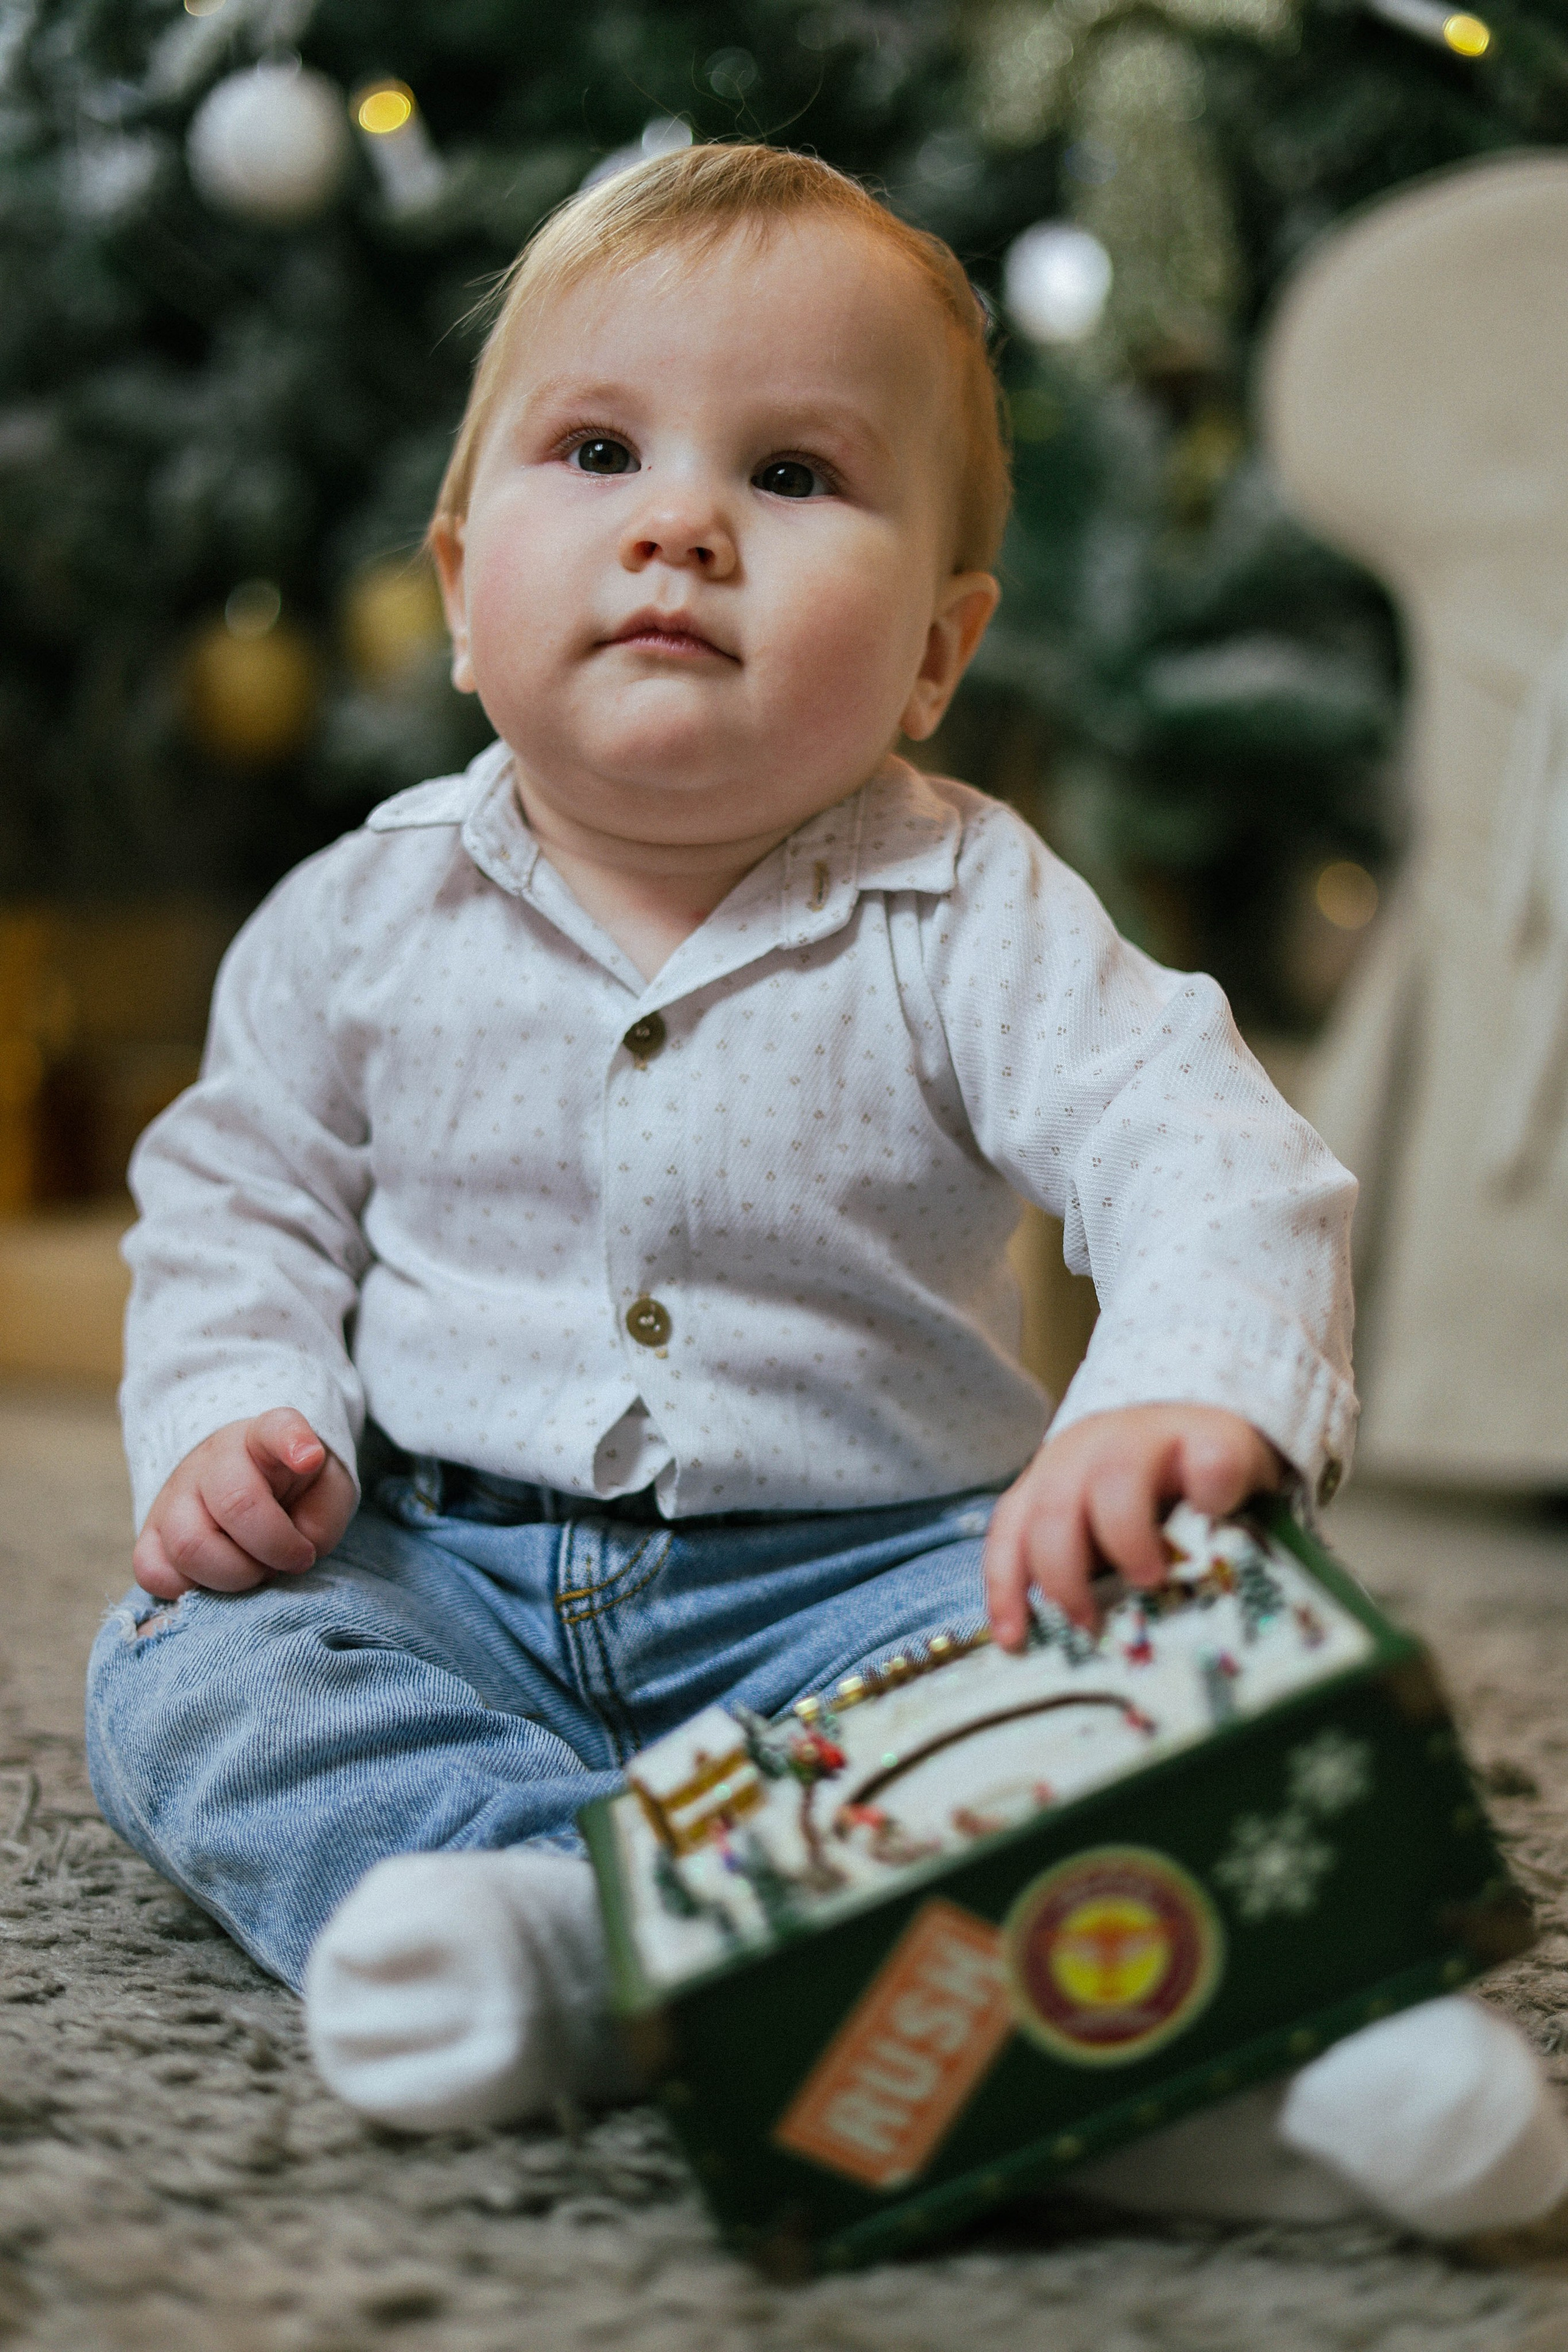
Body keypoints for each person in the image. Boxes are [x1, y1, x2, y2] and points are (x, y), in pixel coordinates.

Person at [86, 144, 1566, 2242]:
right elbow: (239, 1203)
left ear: (940, 652)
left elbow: (1204, 1148)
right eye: (598, 450)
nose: (681, 523)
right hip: (443, 1562)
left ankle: (1247, 2032)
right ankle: (592, 1910)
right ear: (453, 582)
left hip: (871, 1588)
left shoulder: (967, 908)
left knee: (1188, 1649)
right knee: (193, 1667)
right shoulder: (359, 917)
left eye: (794, 476)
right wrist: (243, 1417)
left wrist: (1178, 1403)